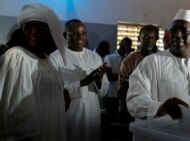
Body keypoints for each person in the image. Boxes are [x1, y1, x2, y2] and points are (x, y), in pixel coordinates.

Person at [126, 9, 190, 122]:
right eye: (174, 30)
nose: (178, 35)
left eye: (184, 31)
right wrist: (160, 108)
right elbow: (134, 100)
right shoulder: (151, 63)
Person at [0, 3, 68, 141]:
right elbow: (17, 109)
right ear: (21, 31)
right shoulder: (17, 56)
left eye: (40, 27)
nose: (34, 31)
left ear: (49, 32)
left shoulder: (47, 59)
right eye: (28, 27)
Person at [50, 19, 109, 141]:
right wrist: (83, 82)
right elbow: (54, 92)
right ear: (65, 35)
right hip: (71, 116)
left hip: (92, 113)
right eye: (74, 33)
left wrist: (98, 80)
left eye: (83, 33)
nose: (79, 37)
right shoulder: (55, 58)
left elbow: (103, 92)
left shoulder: (95, 57)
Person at [117, 24, 159, 141]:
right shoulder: (129, 61)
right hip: (135, 111)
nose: (148, 41)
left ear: (156, 40)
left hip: (158, 111)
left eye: (151, 38)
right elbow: (122, 89)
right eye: (145, 37)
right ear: (139, 39)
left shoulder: (162, 60)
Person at [103, 37, 133, 121]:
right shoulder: (109, 57)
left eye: (128, 46)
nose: (125, 47)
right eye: (124, 45)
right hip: (113, 94)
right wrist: (125, 76)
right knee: (111, 119)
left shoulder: (130, 59)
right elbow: (109, 77)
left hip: (126, 95)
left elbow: (133, 75)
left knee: (124, 121)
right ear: (120, 44)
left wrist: (128, 56)